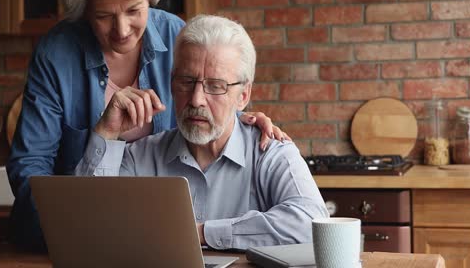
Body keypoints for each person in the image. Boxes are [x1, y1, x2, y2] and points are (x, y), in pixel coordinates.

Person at [6, 0, 289, 251]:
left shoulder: (177, 35)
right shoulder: (56, 53)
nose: (122, 30)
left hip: (164, 234)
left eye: (133, 11)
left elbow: (209, 107)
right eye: (104, 16)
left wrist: (242, 124)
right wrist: (68, 226)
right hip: (77, 236)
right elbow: (30, 165)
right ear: (84, 10)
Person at [75, 15, 329, 250]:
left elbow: (312, 223)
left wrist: (202, 233)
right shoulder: (140, 157)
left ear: (243, 96)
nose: (196, 99)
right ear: (172, 85)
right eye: (186, 81)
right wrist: (106, 133)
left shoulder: (270, 151)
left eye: (215, 86)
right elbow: (86, 229)